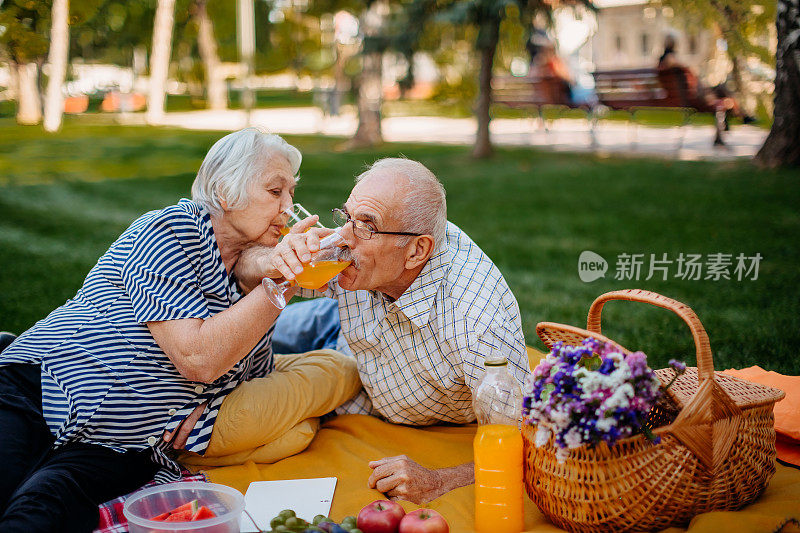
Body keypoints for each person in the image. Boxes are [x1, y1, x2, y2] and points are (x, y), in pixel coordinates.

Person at [0, 128, 337, 532]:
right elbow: (199, 359)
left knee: (37, 518)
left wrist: (209, 398)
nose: (289, 208)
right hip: (39, 390)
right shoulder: (172, 231)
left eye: (291, 194)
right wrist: (279, 285)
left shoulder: (249, 282)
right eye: (275, 191)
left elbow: (248, 375)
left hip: (119, 447)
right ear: (226, 193)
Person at [236, 158, 530, 504]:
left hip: (354, 369)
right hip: (337, 328)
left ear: (416, 251)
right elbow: (245, 266)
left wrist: (438, 481)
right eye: (346, 217)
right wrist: (273, 261)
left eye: (366, 226)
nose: (343, 238)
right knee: (251, 330)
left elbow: (525, 438)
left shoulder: (475, 317)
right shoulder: (352, 253)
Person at [657, 34, 755, 145]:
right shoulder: (670, 59)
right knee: (722, 94)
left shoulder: (662, 63)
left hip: (686, 96)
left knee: (721, 89)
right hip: (692, 99)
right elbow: (671, 62)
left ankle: (740, 115)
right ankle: (742, 116)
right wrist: (686, 67)